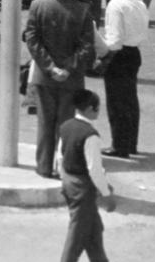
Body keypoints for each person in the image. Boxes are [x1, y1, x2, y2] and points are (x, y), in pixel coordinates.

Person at [24, 0, 97, 178]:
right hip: (72, 79)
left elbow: (32, 40)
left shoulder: (38, 5)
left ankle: (44, 167)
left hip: (43, 77)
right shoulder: (83, 10)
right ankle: (63, 166)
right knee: (66, 125)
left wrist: (50, 67)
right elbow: (86, 46)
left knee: (45, 124)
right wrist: (67, 68)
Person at [58, 89, 117, 262]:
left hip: (69, 183)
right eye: (98, 109)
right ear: (91, 109)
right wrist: (107, 194)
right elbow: (94, 169)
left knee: (93, 232)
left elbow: (60, 157)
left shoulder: (66, 126)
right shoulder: (90, 135)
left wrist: (65, 180)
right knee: (76, 238)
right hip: (83, 189)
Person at [97, 0, 149, 158]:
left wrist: (102, 55)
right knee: (130, 100)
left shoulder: (114, 5)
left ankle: (119, 145)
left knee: (117, 102)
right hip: (134, 52)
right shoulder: (139, 4)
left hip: (118, 55)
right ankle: (130, 143)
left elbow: (115, 39)